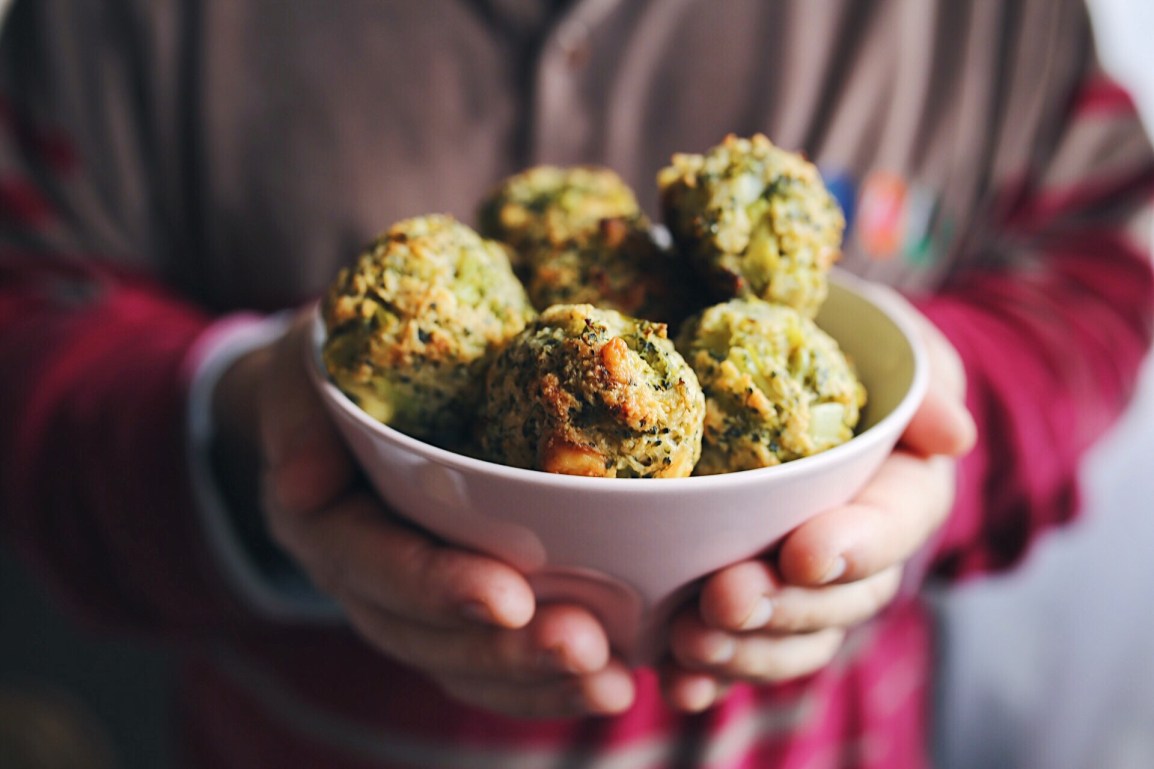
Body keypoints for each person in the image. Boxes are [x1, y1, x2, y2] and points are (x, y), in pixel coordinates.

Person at [0, 1, 1149, 767]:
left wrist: (948, 413)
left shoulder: (986, 22)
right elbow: (26, 299)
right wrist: (234, 423)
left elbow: (1104, 249)